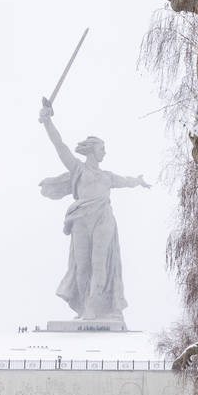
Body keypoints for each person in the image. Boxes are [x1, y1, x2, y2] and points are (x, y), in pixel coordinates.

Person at [38, 102, 150, 321]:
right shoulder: (78, 168)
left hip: (103, 219)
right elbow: (60, 147)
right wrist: (48, 121)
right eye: (102, 149)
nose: (105, 152)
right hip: (81, 219)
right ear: (91, 150)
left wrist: (138, 181)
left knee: (100, 264)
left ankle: (92, 307)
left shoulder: (107, 176)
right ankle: (82, 307)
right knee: (82, 267)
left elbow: (125, 181)